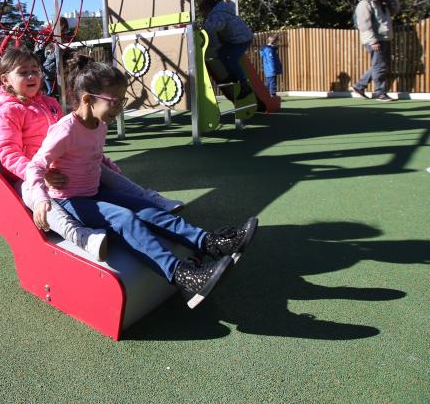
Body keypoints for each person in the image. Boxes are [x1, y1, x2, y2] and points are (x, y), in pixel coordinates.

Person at [25, 54, 258, 308]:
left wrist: (112, 168)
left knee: (148, 208)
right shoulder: (65, 130)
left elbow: (93, 156)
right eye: (115, 102)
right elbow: (36, 164)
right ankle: (184, 276)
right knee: (125, 219)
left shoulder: (99, 124)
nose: (119, 108)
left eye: (122, 101)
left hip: (94, 191)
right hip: (71, 201)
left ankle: (209, 242)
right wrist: (39, 200)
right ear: (88, 100)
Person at [0, 48, 185, 261]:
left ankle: (149, 199)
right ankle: (80, 235)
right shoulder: (8, 111)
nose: (31, 76)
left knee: (109, 174)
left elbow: (72, 138)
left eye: (35, 70)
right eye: (23, 72)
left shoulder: (50, 104)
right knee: (34, 195)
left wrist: (102, 160)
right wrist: (41, 174)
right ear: (5, 80)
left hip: (62, 163)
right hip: (30, 174)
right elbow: (8, 153)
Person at [351, 0, 399, 103]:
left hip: (385, 38)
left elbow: (395, 10)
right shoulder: (364, 4)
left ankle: (359, 86)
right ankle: (379, 92)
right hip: (375, 40)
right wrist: (372, 41)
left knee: (381, 65)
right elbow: (364, 24)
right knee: (380, 66)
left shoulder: (381, 2)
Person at [198, 0, 255, 100]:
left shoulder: (218, 13)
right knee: (221, 53)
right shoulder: (218, 11)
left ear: (207, 9)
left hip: (242, 39)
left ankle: (245, 86)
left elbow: (218, 26)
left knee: (232, 59)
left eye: (202, 12)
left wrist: (204, 27)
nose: (202, 15)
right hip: (235, 39)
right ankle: (232, 75)